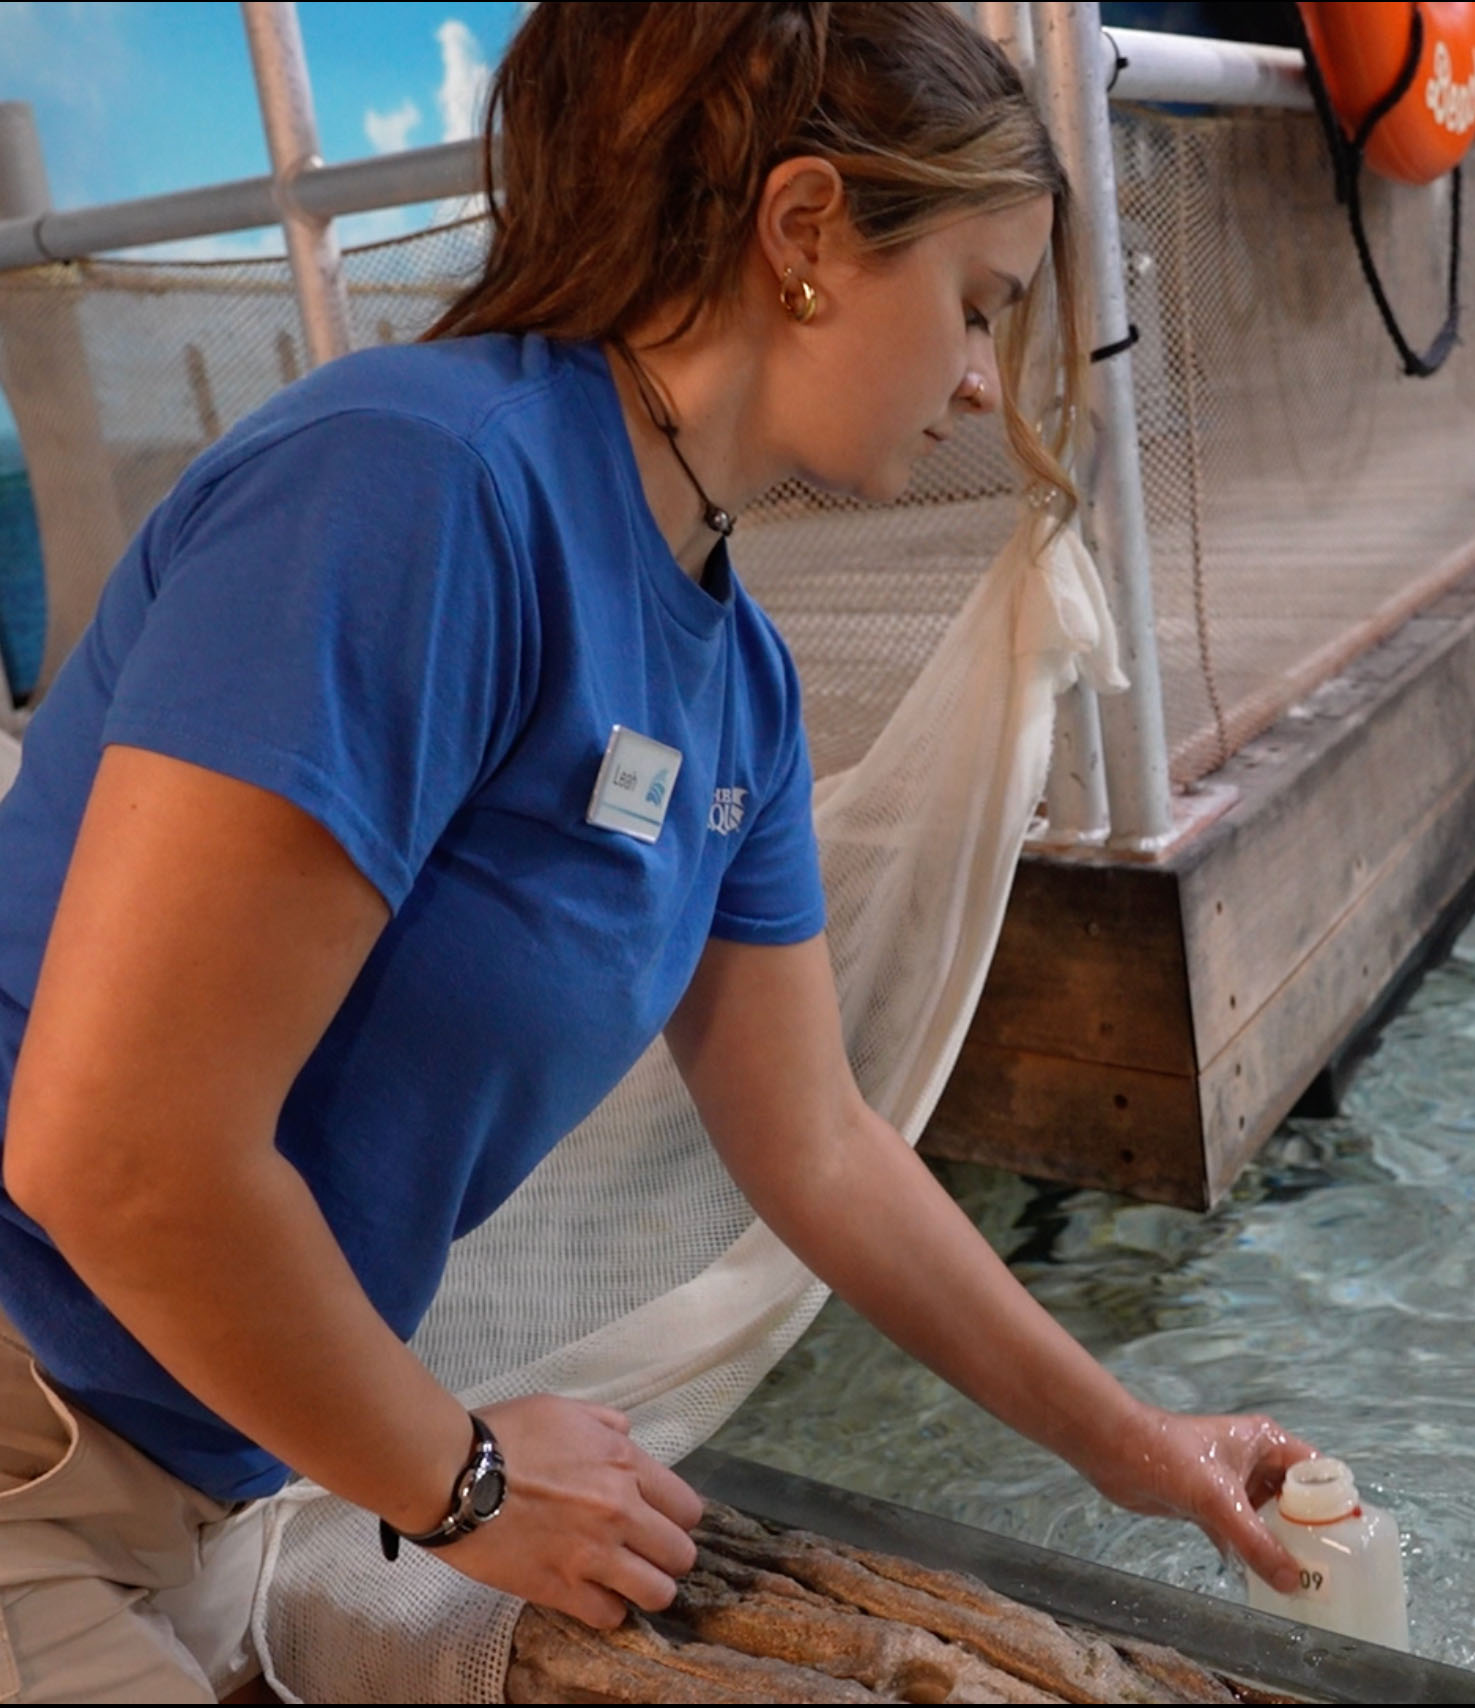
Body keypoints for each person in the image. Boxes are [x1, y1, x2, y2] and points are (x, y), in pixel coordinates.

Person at [0, 4, 1314, 1700]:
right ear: (806, 234)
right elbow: (113, 1150)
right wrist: (458, 1478)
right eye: (978, 302)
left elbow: (821, 1146)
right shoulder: (415, 488)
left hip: (203, 1477)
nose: (986, 377)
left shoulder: (740, 689)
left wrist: (1144, 1451)